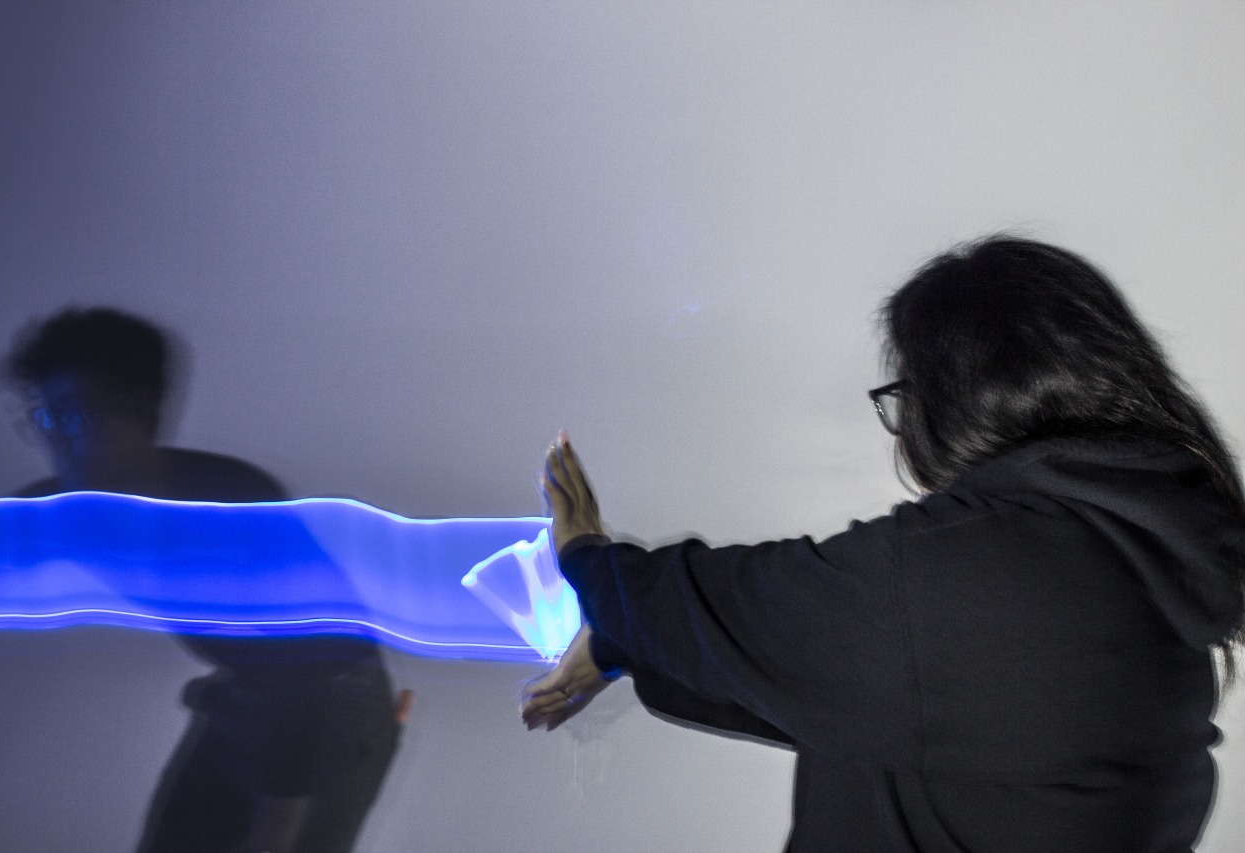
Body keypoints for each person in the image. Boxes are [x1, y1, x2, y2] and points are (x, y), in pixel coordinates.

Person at [523, 237, 1245, 852]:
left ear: (968, 396)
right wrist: (623, 644)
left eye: (908, 395)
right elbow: (845, 695)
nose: (904, 431)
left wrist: (588, 556)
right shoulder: (1138, 571)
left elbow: (748, 608)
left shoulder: (982, 570)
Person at [3, 307, 409, 853]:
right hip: (249, 694)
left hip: (333, 703)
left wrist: (273, 832)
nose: (60, 442)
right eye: (47, 419)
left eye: (76, 417)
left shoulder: (230, 509)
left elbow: (301, 680)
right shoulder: (80, 508)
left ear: (141, 411)